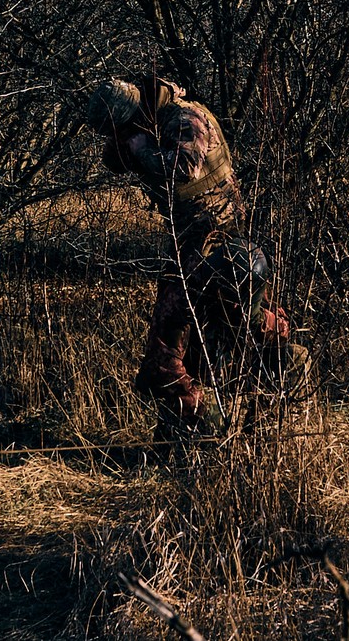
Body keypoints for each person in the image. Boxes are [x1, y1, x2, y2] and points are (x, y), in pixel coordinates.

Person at [84, 74, 294, 425]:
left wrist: (141, 151)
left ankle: (213, 417)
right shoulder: (156, 120)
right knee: (200, 333)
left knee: (182, 336)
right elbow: (119, 159)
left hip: (215, 238)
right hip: (191, 241)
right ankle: (193, 420)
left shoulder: (184, 119)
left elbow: (184, 167)